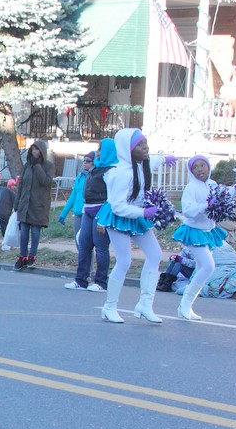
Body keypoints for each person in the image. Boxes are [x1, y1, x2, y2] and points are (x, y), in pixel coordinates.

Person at [95, 128, 177, 323]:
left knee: (156, 255)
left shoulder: (142, 166)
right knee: (124, 261)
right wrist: (143, 212)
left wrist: (164, 158)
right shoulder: (122, 173)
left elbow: (152, 162)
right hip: (119, 216)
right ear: (127, 150)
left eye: (145, 143)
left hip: (137, 215)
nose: (145, 147)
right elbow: (117, 206)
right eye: (139, 145)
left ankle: (145, 305)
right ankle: (109, 306)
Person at [172, 155, 230, 320]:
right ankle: (185, 303)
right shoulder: (191, 188)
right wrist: (206, 206)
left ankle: (186, 306)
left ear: (208, 166)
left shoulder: (213, 185)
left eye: (202, 165)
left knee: (201, 268)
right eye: (195, 167)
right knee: (208, 266)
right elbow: (188, 210)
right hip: (194, 231)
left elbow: (224, 197)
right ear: (191, 171)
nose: (200, 169)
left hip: (208, 232)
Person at [65, 139, 115, 292]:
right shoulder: (95, 168)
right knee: (84, 244)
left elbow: (113, 197)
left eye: (100, 149)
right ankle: (81, 280)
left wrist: (104, 219)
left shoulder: (112, 170)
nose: (98, 152)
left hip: (101, 211)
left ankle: (101, 282)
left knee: (100, 247)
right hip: (88, 210)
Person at [13, 140, 55, 270]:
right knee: (24, 232)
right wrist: (17, 202)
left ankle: (32, 256)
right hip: (25, 204)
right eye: (33, 149)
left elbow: (46, 181)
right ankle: (22, 256)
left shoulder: (48, 166)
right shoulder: (27, 166)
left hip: (39, 205)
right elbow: (21, 185)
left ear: (42, 151)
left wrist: (38, 166)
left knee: (35, 232)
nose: (35, 152)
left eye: (37, 149)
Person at [58, 150, 94, 247]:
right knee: (78, 243)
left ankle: (87, 262)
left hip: (89, 213)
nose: (85, 162)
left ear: (94, 162)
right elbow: (73, 195)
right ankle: (82, 262)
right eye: (84, 160)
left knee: (86, 244)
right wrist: (63, 213)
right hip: (78, 213)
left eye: (88, 161)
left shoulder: (95, 176)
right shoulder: (80, 175)